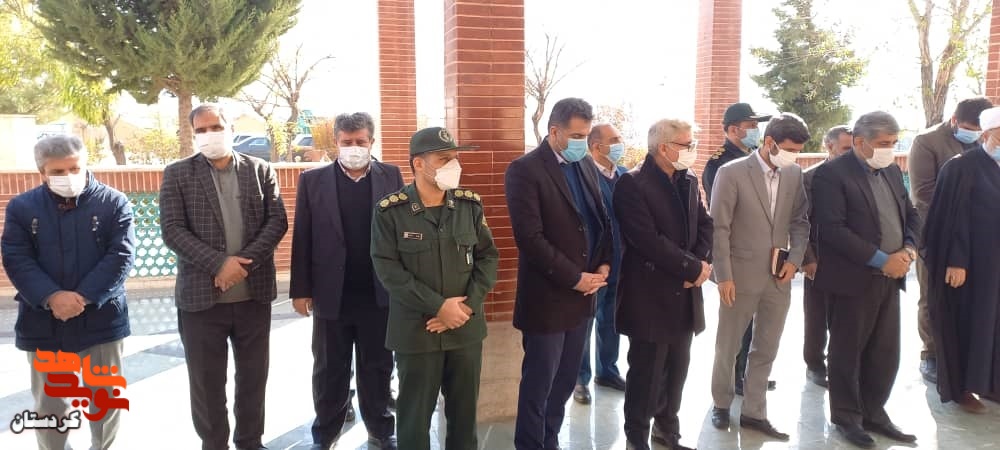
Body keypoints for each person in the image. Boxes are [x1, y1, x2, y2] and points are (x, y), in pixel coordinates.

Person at [160, 103, 288, 450]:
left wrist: (240, 266)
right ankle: (214, 443)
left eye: (215, 127)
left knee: (253, 378)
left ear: (230, 129)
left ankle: (250, 441)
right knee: (206, 383)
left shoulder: (260, 170)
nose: (209, 135)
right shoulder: (177, 173)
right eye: (200, 130)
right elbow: (172, 230)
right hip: (201, 301)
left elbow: (276, 221)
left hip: (252, 297)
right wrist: (218, 264)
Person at [1, 135, 135, 450]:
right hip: (43, 321)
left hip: (102, 318)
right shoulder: (22, 207)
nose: (69, 176)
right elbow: (17, 258)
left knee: (105, 401)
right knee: (50, 405)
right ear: (42, 173)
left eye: (74, 168)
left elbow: (121, 255)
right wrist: (52, 297)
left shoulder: (114, 202)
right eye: (58, 171)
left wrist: (83, 297)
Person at [370, 126, 499, 450]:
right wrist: (439, 307)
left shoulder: (469, 206)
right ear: (418, 164)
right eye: (444, 159)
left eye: (455, 158)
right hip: (417, 332)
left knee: (464, 419)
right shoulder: (390, 211)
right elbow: (389, 270)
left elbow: (487, 258)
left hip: (465, 329)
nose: (454, 165)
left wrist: (464, 307)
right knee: (414, 421)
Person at [289, 112, 403, 450]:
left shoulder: (391, 176)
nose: (354, 147)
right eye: (347, 142)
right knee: (329, 371)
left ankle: (380, 430)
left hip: (378, 293)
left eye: (360, 141)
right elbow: (303, 237)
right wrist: (300, 290)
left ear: (371, 142)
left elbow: (401, 233)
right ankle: (326, 433)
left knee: (378, 367)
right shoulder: (313, 180)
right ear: (336, 143)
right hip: (331, 294)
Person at [505, 97, 613, 450]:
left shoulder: (584, 164)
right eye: (577, 135)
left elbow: (601, 220)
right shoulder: (524, 170)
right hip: (548, 300)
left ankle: (549, 441)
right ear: (554, 132)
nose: (583, 142)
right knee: (539, 385)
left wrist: (604, 264)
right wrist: (575, 278)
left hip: (583, 298)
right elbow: (530, 238)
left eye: (586, 135)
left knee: (565, 382)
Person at [812, 111, 921, 448]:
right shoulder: (831, 174)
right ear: (860, 142)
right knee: (847, 352)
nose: (890, 149)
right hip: (852, 279)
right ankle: (847, 417)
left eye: (894, 142)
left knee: (884, 352)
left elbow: (911, 214)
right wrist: (882, 260)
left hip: (891, 276)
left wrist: (908, 251)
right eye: (884, 143)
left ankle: (874, 412)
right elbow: (832, 230)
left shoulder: (891, 170)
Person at [708, 113, 810, 441]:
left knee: (766, 347)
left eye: (798, 151)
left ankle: (754, 412)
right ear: (769, 142)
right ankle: (721, 403)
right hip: (738, 276)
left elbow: (800, 221)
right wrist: (723, 276)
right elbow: (719, 228)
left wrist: (795, 260)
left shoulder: (794, 174)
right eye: (789, 149)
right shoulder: (731, 172)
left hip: (779, 277)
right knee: (728, 346)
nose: (793, 156)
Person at [615, 119, 712, 450]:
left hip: (685, 294)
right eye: (686, 144)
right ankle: (637, 437)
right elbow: (646, 239)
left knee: (677, 370)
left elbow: (705, 224)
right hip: (650, 295)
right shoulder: (632, 183)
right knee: (647, 374)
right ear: (664, 148)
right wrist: (690, 267)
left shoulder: (688, 179)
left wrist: (698, 264)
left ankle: (667, 431)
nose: (692, 150)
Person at [907, 96, 993, 384]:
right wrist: (968, 210)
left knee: (972, 295)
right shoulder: (927, 142)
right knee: (933, 294)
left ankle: (965, 356)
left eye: (980, 130)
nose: (975, 134)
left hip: (977, 236)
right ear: (954, 120)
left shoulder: (987, 143)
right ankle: (931, 354)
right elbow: (923, 193)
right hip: (936, 233)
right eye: (969, 128)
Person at [923, 106, 1000, 414]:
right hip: (971, 266)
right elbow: (951, 219)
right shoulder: (961, 168)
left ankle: (992, 385)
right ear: (987, 134)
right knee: (968, 324)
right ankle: (963, 388)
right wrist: (956, 260)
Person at [702, 102, 777, 396]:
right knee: (735, 326)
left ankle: (748, 374)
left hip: (761, 254)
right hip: (735, 254)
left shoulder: (756, 158)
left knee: (756, 322)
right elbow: (723, 215)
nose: (756, 130)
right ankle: (731, 379)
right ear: (734, 130)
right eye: (751, 125)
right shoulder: (719, 164)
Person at [573, 123, 628, 405]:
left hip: (622, 262)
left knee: (612, 321)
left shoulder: (625, 175)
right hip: (594, 264)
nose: (620, 143)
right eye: (614, 139)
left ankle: (607, 371)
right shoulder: (581, 176)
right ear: (596, 147)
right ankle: (580, 379)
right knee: (585, 323)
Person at [800, 125, 854, 388]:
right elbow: (800, 222)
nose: (851, 153)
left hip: (852, 259)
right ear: (829, 146)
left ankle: (842, 364)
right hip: (819, 259)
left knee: (846, 316)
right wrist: (807, 258)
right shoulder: (810, 178)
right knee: (816, 316)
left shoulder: (860, 175)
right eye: (846, 148)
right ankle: (814, 364)